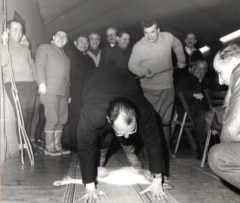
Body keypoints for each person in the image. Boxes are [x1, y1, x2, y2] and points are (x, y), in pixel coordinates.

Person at [77, 66, 169, 202]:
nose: (127, 136)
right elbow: (85, 147)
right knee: (102, 140)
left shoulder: (145, 110)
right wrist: (90, 187)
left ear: (136, 117)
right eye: (121, 132)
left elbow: (154, 141)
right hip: (93, 81)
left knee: (130, 137)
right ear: (109, 120)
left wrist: (157, 180)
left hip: (124, 78)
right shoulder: (91, 114)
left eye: (131, 131)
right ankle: (103, 151)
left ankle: (129, 151)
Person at [128, 17, 186, 157]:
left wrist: (181, 59)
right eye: (146, 33)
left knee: (166, 121)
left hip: (168, 87)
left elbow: (177, 44)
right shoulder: (139, 46)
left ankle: (166, 149)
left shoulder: (168, 37)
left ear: (158, 30)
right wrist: (143, 72)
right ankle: (150, 151)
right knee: (151, 120)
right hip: (150, 89)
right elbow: (132, 65)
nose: (149, 36)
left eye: (152, 32)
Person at [208, 43, 240, 194]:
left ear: (233, 63)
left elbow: (233, 131)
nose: (219, 81)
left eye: (220, 72)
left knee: (219, 156)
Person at [35, 31, 71, 156]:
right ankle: (49, 147)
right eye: (59, 36)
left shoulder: (65, 55)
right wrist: (41, 83)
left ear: (66, 41)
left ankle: (57, 146)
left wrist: (68, 93)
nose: (62, 38)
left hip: (63, 91)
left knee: (62, 119)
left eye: (64, 37)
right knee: (52, 118)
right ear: (53, 37)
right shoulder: (45, 48)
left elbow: (67, 76)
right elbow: (39, 65)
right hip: (50, 89)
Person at [1, 20, 37, 142]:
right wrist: (4, 43)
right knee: (22, 115)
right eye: (15, 29)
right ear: (8, 31)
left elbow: (32, 67)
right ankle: (23, 145)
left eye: (20, 29)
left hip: (30, 84)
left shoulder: (25, 49)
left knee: (29, 116)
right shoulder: (4, 46)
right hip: (14, 83)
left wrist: (36, 83)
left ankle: (26, 144)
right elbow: (3, 62)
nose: (18, 32)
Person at [63, 34, 95, 151]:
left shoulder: (89, 59)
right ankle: (74, 145)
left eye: (86, 42)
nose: (84, 44)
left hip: (87, 92)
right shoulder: (72, 54)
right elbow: (71, 73)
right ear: (75, 44)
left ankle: (83, 143)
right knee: (75, 118)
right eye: (81, 42)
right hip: (75, 91)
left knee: (85, 118)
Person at [175, 60, 209, 159]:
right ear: (193, 69)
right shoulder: (186, 80)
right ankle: (201, 146)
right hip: (188, 112)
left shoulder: (207, 82)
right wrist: (193, 94)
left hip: (206, 112)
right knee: (202, 115)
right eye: (198, 68)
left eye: (203, 69)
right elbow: (177, 91)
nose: (200, 71)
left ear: (206, 71)